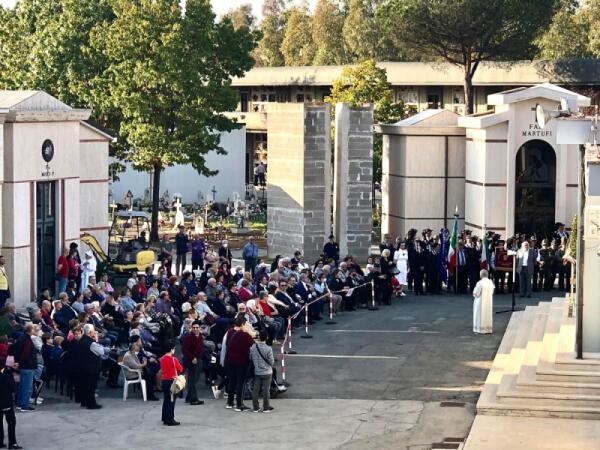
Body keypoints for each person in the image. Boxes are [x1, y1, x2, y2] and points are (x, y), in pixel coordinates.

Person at [224, 315, 255, 412]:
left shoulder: (230, 332)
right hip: (241, 361)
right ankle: (239, 404)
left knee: (232, 381)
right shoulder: (244, 335)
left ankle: (230, 402)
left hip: (229, 360)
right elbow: (253, 344)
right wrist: (249, 332)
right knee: (241, 382)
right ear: (243, 324)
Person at [77, 324, 104, 409]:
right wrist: (96, 340)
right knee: (91, 386)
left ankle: (84, 402)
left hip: (82, 366)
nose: (95, 332)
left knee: (84, 385)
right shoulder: (91, 343)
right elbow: (101, 351)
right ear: (90, 332)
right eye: (93, 331)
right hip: (91, 367)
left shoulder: (81, 340)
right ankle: (91, 404)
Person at [11, 323, 38, 412]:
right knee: (27, 387)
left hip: (24, 365)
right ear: (29, 330)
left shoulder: (22, 338)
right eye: (33, 329)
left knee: (22, 386)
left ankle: (20, 404)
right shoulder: (27, 340)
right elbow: (25, 353)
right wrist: (19, 362)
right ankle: (24, 405)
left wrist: (18, 362)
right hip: (27, 366)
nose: (34, 330)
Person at [250, 329, 274, 413]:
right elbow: (271, 362)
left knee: (255, 390)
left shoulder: (253, 347)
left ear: (259, 337)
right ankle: (266, 407)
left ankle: (255, 407)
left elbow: (250, 357)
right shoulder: (268, 349)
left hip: (257, 371)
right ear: (266, 338)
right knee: (266, 390)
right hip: (267, 372)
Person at [159, 342, 183, 426]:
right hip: (171, 381)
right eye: (174, 348)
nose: (174, 350)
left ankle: (165, 418)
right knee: (172, 400)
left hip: (164, 380)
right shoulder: (174, 359)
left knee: (166, 399)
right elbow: (180, 369)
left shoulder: (162, 359)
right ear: (171, 349)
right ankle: (170, 419)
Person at [182, 321, 205, 406]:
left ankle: (189, 397)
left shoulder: (200, 336)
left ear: (199, 328)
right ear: (191, 328)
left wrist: (198, 358)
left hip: (198, 359)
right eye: (194, 327)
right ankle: (193, 399)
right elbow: (185, 349)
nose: (195, 329)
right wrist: (192, 358)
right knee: (192, 379)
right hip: (190, 360)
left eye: (197, 327)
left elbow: (201, 347)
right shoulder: (188, 337)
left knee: (195, 379)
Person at [0, 358, 20, 449]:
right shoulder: (6, 375)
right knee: (11, 422)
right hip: (6, 402)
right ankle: (12, 443)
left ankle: (0, 442)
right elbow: (13, 388)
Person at [473, 270, 495, 334]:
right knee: (487, 315)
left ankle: (479, 329)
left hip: (480, 302)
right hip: (488, 302)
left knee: (479, 315)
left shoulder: (480, 283)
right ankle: (488, 329)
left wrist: (474, 294)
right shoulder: (490, 283)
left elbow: (476, 293)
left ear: (481, 275)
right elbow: (492, 292)